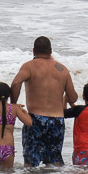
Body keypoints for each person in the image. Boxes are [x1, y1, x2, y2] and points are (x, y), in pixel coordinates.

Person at [10, 36, 78, 167]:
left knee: (30, 164)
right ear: (51, 50)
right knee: (54, 162)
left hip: (35, 120)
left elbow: (16, 82)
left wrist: (13, 104)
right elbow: (73, 98)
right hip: (57, 121)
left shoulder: (29, 66)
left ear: (33, 50)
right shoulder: (62, 69)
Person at [0, 82, 33, 171]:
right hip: (7, 148)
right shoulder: (15, 109)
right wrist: (23, 111)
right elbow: (29, 122)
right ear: (9, 95)